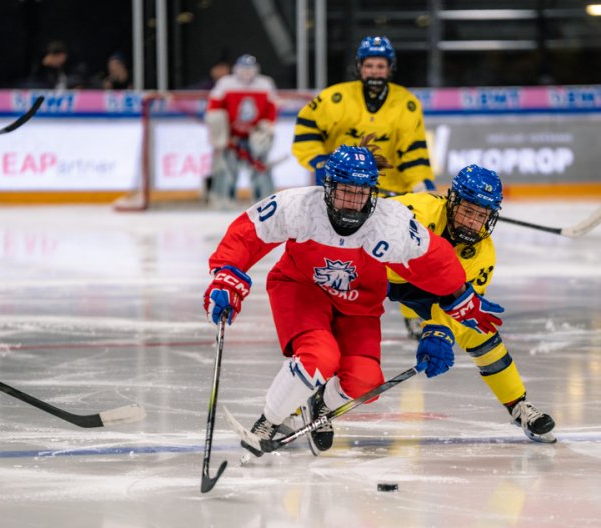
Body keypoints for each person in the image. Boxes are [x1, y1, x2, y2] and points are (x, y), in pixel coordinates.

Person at [203, 145, 505, 457]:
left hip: (359, 302)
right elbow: (249, 232)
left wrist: (461, 297)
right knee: (319, 356)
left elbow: (434, 258)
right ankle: (270, 422)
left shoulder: (390, 222)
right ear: (328, 186)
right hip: (303, 289)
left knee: (364, 383)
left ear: (372, 192)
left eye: (360, 193)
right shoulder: (299, 206)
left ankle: (320, 404)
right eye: (345, 191)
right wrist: (227, 275)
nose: (352, 201)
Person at [387, 164, 556, 443]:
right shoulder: (416, 211)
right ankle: (310, 396)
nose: (472, 222)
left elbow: (460, 306)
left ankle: (517, 405)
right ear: (451, 200)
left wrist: (439, 330)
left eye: (481, 215)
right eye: (468, 210)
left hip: (424, 287)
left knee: (478, 328)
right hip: (377, 273)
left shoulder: (482, 253)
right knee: (343, 327)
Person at [292, 36, 434, 196]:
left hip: (389, 192)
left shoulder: (407, 103)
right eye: (369, 65)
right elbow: (307, 129)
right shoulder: (334, 98)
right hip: (342, 189)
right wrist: (320, 161)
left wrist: (420, 181)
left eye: (380, 66)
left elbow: (413, 151)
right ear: (360, 67)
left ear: (390, 68)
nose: (374, 71)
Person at [204, 54, 278, 208]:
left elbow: (271, 110)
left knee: (260, 169)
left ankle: (266, 202)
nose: (246, 72)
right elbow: (214, 108)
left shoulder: (265, 84)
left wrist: (265, 129)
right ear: (236, 69)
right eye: (243, 69)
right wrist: (223, 135)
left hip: (255, 135)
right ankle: (222, 200)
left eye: (250, 69)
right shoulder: (225, 83)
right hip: (232, 137)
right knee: (226, 169)